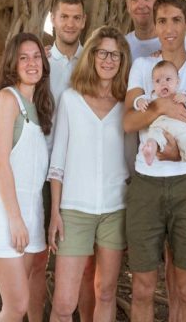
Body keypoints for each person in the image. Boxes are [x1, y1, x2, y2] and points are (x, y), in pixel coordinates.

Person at [123, 0, 186, 322]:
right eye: (162, 21)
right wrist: (162, 106)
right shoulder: (142, 67)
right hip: (146, 185)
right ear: (155, 25)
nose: (168, 28)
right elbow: (129, 122)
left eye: (176, 20)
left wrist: (180, 153)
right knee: (142, 288)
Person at [48, 26, 135, 322]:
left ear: (123, 61)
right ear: (91, 55)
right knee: (63, 303)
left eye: (115, 55)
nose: (108, 60)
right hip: (74, 210)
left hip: (115, 210)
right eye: (102, 53)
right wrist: (55, 212)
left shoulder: (127, 106)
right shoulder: (71, 99)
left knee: (106, 292)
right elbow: (57, 162)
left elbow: (133, 160)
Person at [0, 33, 54, 321]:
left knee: (23, 300)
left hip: (31, 213)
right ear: (12, 64)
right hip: (6, 214)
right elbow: (0, 162)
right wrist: (15, 218)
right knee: (16, 305)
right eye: (23, 58)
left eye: (36, 57)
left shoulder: (38, 106)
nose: (32, 63)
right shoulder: (7, 100)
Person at [29, 0, 95, 322]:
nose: (70, 23)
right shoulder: (38, 63)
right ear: (53, 19)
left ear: (84, 22)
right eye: (64, 17)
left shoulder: (94, 61)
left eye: (76, 17)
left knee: (85, 265)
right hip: (43, 170)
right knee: (38, 259)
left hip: (82, 173)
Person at [134, 60, 186, 179]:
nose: (163, 84)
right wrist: (140, 102)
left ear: (177, 82)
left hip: (181, 131)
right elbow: (137, 101)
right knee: (153, 138)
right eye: (158, 81)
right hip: (159, 128)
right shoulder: (152, 96)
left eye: (168, 79)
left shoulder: (181, 94)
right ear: (153, 84)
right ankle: (149, 152)